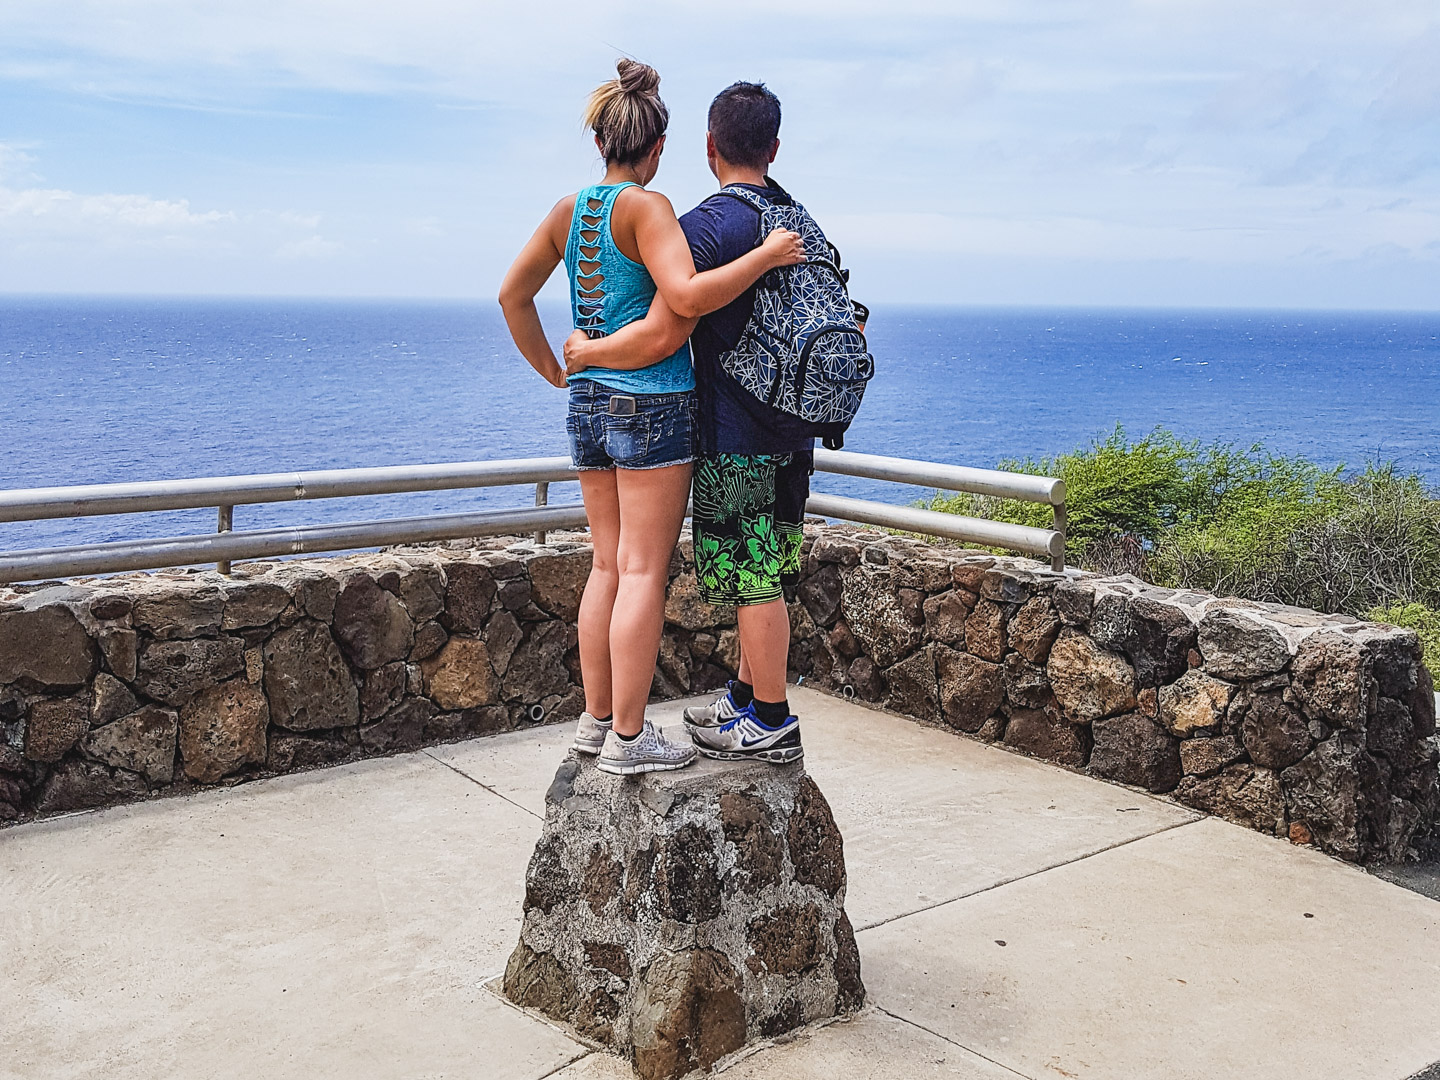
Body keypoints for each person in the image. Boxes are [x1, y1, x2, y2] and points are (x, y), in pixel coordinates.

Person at [498, 61, 806, 776]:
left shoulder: (568, 210)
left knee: (606, 564)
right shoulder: (649, 208)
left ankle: (597, 721)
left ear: (603, 139)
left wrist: (558, 367)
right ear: (658, 145)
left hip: (588, 404)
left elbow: (513, 295)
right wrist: (763, 255)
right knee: (642, 572)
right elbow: (687, 298)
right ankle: (632, 742)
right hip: (653, 405)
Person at [563, 80, 837, 765]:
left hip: (738, 428)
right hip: (795, 426)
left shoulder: (708, 225)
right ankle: (746, 698)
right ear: (774, 147)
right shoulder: (797, 218)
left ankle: (769, 716)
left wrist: (589, 352)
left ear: (710, 146)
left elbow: (667, 317)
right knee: (764, 565)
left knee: (753, 577)